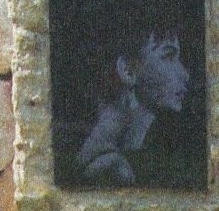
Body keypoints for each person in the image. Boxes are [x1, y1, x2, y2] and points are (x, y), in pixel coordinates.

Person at [76, 29, 190, 187]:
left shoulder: (142, 154)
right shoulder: (109, 165)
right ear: (127, 70)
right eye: (168, 57)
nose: (185, 74)